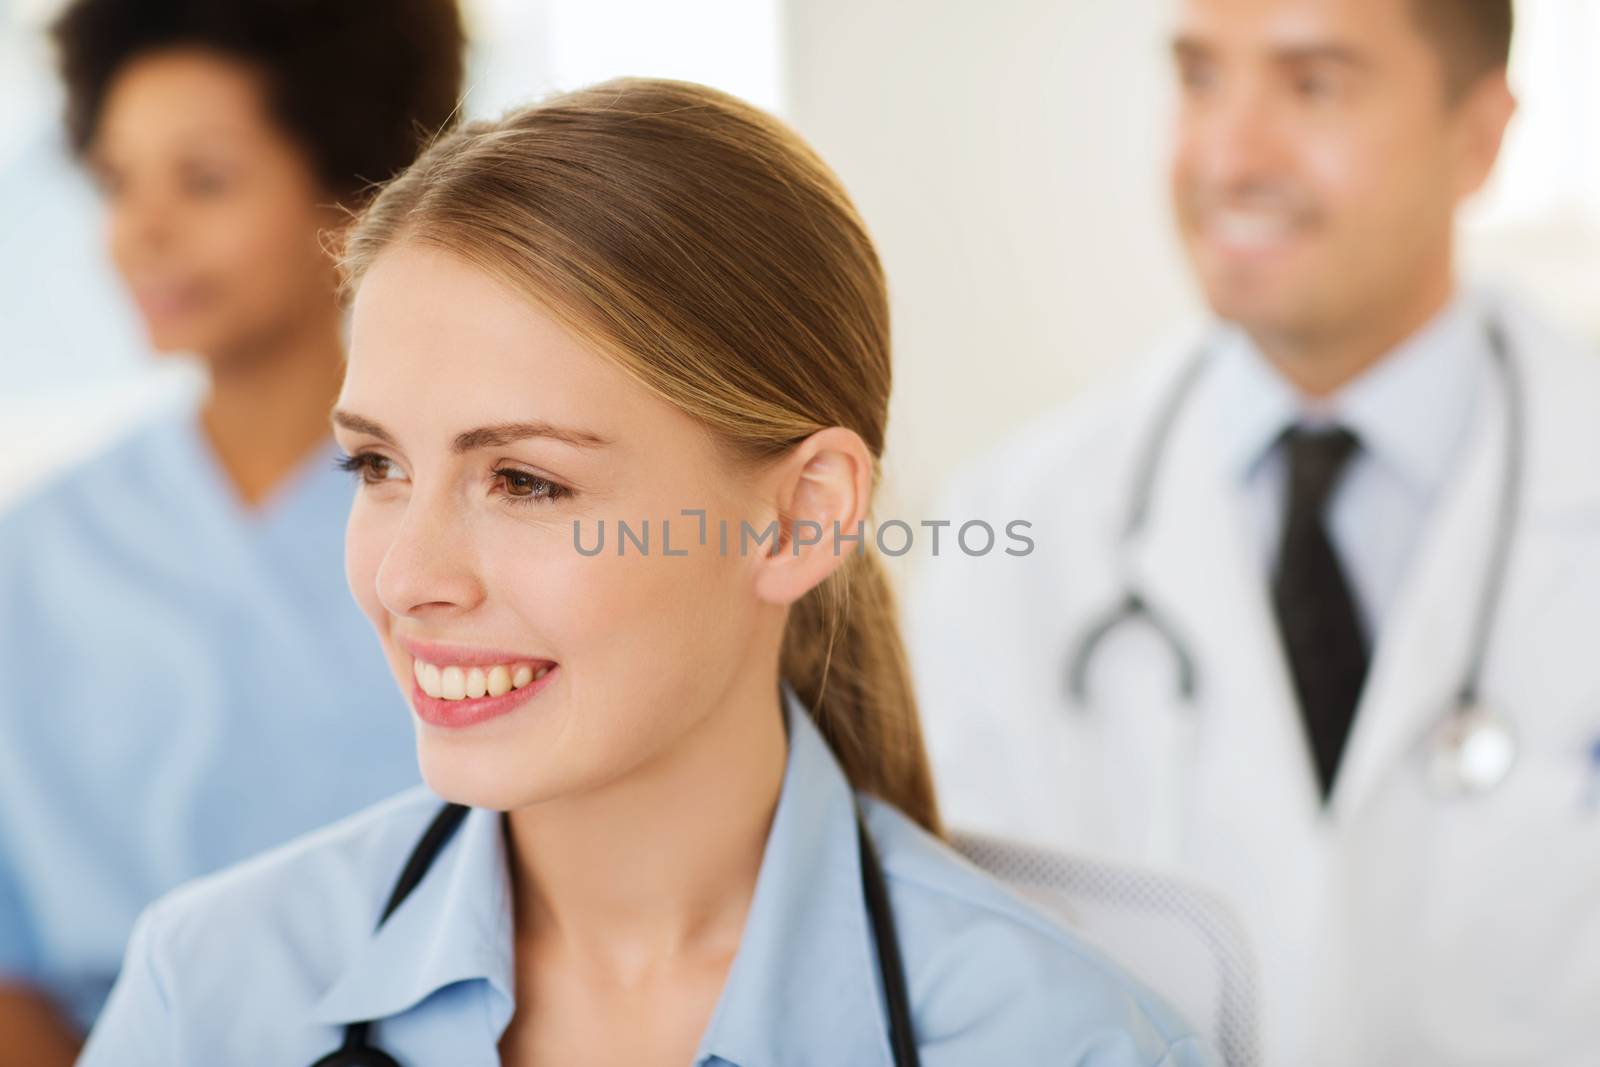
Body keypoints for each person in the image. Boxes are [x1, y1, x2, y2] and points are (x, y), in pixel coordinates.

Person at [75, 78, 1217, 1066]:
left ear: (798, 520)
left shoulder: (1060, 1039)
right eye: (376, 465)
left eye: (522, 479)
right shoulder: (211, 994)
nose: (407, 576)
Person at [908, 1, 1600, 1064]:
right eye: (1197, 79)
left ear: (1477, 138)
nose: (1226, 154)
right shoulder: (1012, 526)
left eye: (1311, 84)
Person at [0, 2, 464, 1062]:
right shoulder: (33, 555)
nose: (141, 230)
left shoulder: (485, 528)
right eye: (118, 182)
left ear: (354, 199)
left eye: (203, 180)